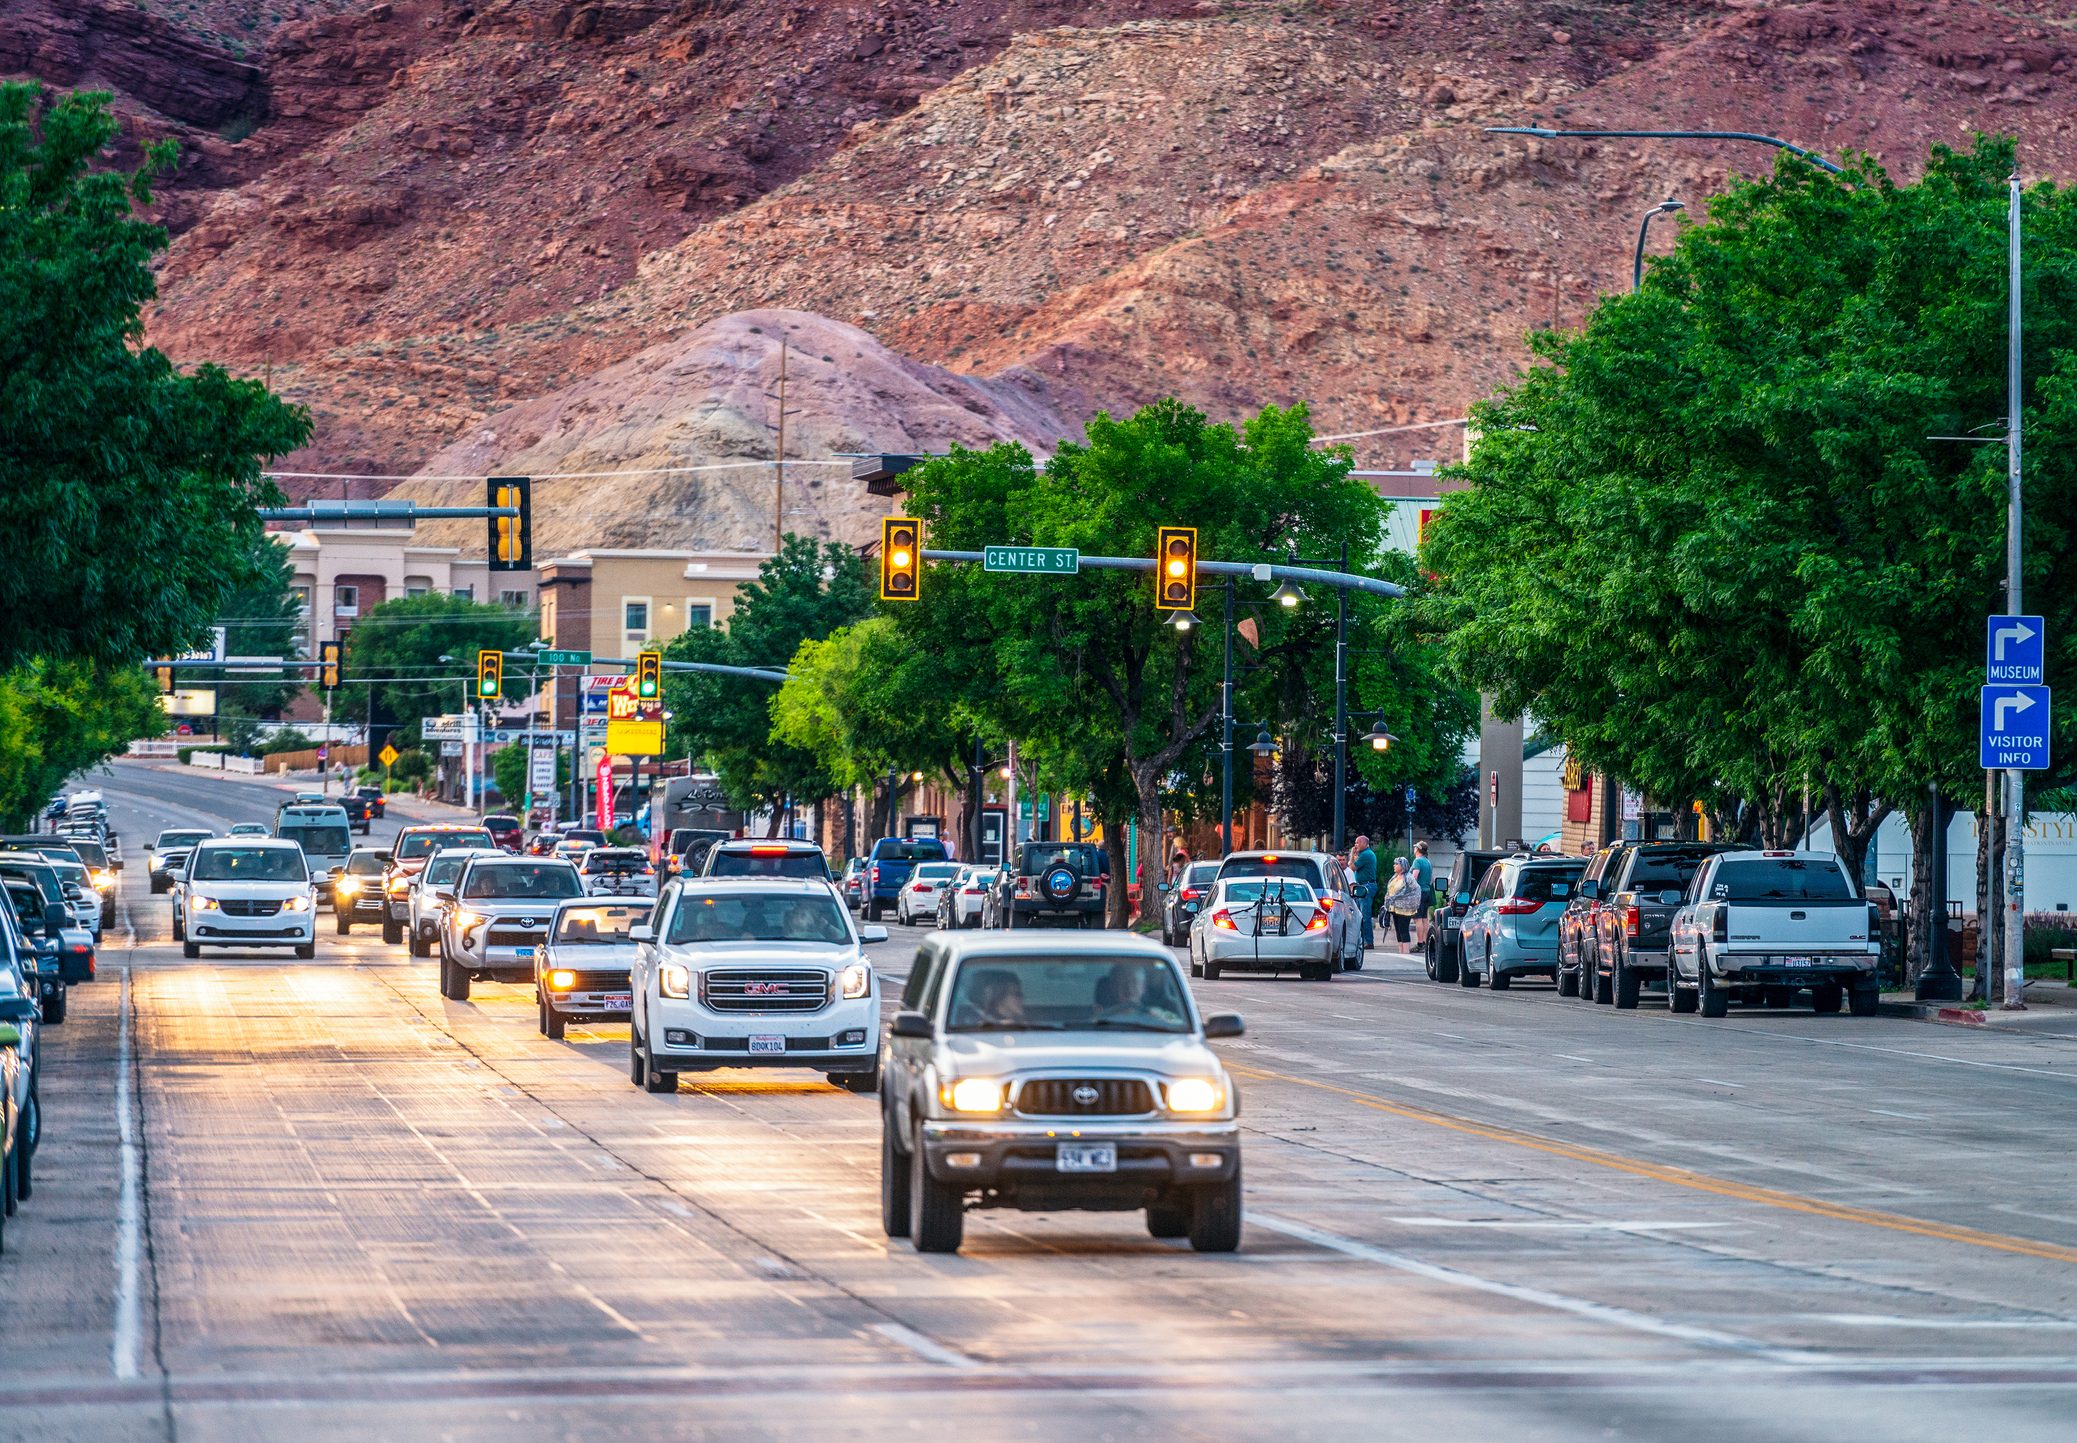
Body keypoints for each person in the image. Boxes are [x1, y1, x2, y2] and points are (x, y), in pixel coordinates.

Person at [1384, 856, 1423, 948]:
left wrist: (1408, 902)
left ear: (1402, 866)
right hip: (1394, 908)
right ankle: (1401, 950)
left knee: (1403, 929)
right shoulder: (1395, 877)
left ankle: (1406, 951)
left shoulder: (1408, 878)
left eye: (1396, 864)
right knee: (1398, 930)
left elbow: (1416, 891)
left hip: (1405, 909)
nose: (1394, 865)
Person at [1350, 834, 1379, 942]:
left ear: (1365, 843)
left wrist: (1352, 853)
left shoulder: (1366, 855)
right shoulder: (1363, 854)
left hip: (1366, 886)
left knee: (1365, 914)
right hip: (1362, 885)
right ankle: (1363, 939)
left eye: (1358, 842)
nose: (1355, 845)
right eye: (1355, 842)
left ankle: (1368, 940)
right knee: (1360, 914)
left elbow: (1351, 867)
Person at [1410, 840, 1434, 948]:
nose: (1414, 849)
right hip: (1427, 892)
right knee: (1425, 918)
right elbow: (1431, 879)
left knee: (1417, 918)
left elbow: (1414, 876)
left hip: (1418, 893)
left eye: (1415, 847)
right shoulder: (1428, 862)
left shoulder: (1417, 861)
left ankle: (1419, 943)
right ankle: (1425, 941)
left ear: (1418, 850)